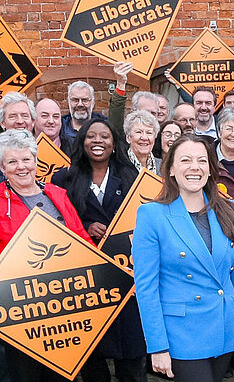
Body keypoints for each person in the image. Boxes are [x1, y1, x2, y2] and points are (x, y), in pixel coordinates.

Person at [131, 134, 234, 382]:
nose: (194, 167)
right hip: (182, 334)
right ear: (170, 169)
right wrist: (157, 347)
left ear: (211, 169)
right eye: (185, 160)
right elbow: (147, 289)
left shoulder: (228, 208)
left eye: (202, 161)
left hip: (224, 328)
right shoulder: (151, 215)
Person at [51, 119, 146, 382]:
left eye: (104, 136)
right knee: (93, 353)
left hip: (126, 272)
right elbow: (55, 222)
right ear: (82, 142)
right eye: (91, 136)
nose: (98, 141)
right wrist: (85, 225)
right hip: (86, 277)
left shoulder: (130, 176)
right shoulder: (64, 177)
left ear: (115, 143)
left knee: (131, 350)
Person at [0, 129, 92, 382]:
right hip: (19, 310)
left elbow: (82, 240)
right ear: (3, 167)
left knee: (63, 375)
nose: (21, 167)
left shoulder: (57, 194)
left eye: (26, 159)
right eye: (12, 161)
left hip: (64, 307)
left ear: (35, 161)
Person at [123, 110, 161, 175]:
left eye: (149, 133)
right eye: (138, 132)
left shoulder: (162, 166)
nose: (144, 137)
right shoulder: (118, 165)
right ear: (128, 138)